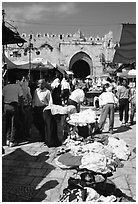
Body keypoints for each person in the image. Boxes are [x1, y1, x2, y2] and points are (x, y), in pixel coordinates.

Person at [2, 76, 24, 147]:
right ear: (15, 81)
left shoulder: (5, 87)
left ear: (9, 81)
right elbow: (21, 97)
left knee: (7, 123)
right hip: (14, 106)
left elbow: (2, 97)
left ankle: (7, 139)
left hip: (6, 106)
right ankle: (12, 140)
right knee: (14, 123)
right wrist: (22, 107)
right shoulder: (18, 87)